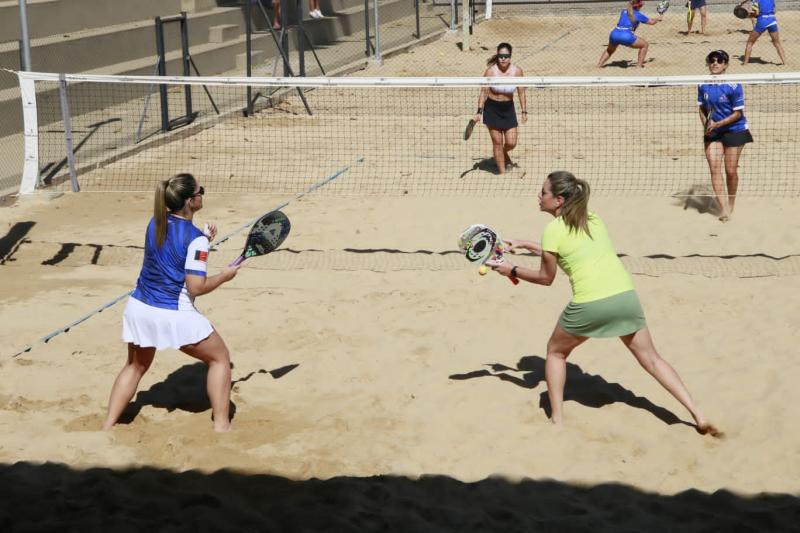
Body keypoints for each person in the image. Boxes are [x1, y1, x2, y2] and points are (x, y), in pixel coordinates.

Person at [485, 171, 721, 437]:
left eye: (543, 192)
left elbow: (545, 277)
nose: (538, 197)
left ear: (559, 200)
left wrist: (510, 270)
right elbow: (569, 249)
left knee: (555, 353)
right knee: (652, 360)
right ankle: (698, 414)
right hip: (624, 297)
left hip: (591, 304)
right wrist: (525, 244)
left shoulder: (553, 230)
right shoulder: (592, 218)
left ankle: (558, 421)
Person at [102, 173, 240, 433]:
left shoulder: (155, 222)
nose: (203, 194)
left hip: (139, 307)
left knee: (134, 366)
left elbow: (173, 250)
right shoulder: (195, 239)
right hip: (172, 313)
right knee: (220, 359)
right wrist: (224, 276)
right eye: (201, 191)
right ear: (191, 201)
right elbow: (196, 288)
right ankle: (222, 426)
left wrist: (204, 242)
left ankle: (107, 425)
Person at [698, 49, 753, 222]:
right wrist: (706, 124)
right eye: (712, 60)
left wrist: (718, 124)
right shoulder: (702, 84)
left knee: (730, 171)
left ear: (726, 65)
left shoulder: (734, 85)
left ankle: (731, 202)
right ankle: (724, 210)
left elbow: (738, 114)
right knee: (714, 168)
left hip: (735, 129)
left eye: (720, 61)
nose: (715, 63)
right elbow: (702, 108)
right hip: (713, 131)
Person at [472, 42, 527, 175]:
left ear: (510, 56)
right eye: (501, 55)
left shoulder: (517, 71)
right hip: (492, 108)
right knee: (497, 142)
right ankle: (502, 173)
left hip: (508, 108)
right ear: (497, 56)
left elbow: (521, 92)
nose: (503, 58)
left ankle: (501, 153)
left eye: (506, 56)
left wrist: (524, 111)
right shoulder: (490, 71)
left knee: (511, 142)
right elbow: (484, 92)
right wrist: (479, 111)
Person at [598, 0, 663, 69]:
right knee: (644, 45)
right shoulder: (638, 15)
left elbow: (630, 16)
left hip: (614, 33)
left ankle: (599, 65)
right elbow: (651, 22)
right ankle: (638, 66)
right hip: (626, 36)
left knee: (609, 50)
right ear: (639, 6)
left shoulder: (623, 11)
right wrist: (658, 19)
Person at [742, 0, 786, 65]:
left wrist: (750, 15)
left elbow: (756, 13)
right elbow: (774, 10)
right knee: (777, 43)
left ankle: (745, 63)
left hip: (762, 21)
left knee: (750, 43)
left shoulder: (756, 1)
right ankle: (785, 62)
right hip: (772, 20)